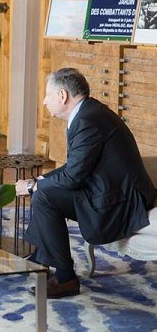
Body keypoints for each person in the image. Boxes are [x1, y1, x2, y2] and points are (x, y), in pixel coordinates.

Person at [16, 68, 155, 298]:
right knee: (44, 191)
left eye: (47, 95)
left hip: (121, 202)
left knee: (44, 196)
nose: (44, 101)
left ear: (63, 95)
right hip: (109, 190)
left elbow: (73, 178)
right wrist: (39, 180)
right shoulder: (88, 113)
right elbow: (75, 167)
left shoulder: (87, 120)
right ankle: (42, 259)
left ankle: (65, 279)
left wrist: (32, 187)